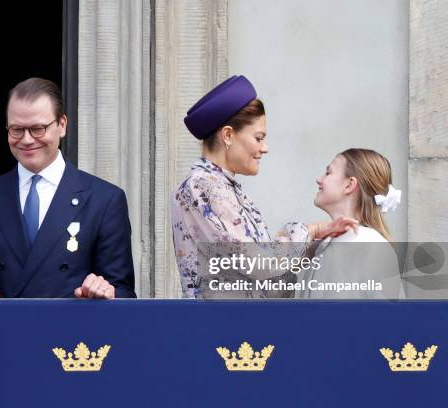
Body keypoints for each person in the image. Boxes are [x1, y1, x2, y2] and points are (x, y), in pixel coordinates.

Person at [172, 75, 358, 298]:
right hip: (223, 327)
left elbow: (262, 267)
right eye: (258, 138)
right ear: (228, 135)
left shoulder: (223, 186)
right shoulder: (203, 185)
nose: (265, 148)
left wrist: (313, 242)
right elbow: (257, 263)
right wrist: (311, 231)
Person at [0, 78, 136, 299]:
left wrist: (105, 292)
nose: (27, 140)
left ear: (62, 125)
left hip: (72, 332)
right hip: (4, 331)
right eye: (17, 129)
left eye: (38, 129)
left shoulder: (104, 200)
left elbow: (123, 291)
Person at [298, 148, 405, 298]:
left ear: (349, 185)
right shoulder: (324, 243)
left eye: (328, 173)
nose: (319, 179)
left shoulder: (371, 246)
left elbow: (390, 316)